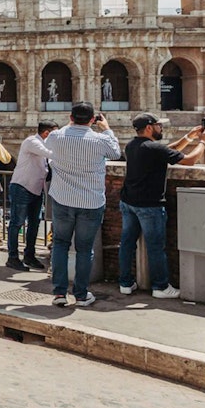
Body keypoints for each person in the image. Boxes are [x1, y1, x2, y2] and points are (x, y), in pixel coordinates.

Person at [118, 113, 205, 299]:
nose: (161, 128)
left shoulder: (132, 145)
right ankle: (160, 287)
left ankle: (125, 283)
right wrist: (203, 142)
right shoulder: (154, 149)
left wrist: (189, 137)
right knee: (155, 247)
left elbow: (166, 151)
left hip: (129, 202)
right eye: (159, 125)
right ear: (150, 127)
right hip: (149, 206)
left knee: (127, 244)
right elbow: (190, 160)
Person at [45, 102, 121, 307]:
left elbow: (50, 143)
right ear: (92, 120)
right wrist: (106, 128)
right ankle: (80, 294)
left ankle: (60, 293)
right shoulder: (99, 139)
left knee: (60, 245)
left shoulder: (56, 136)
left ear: (70, 117)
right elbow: (116, 153)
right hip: (90, 201)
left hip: (62, 199)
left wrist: (70, 125)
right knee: (85, 249)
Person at [6, 121, 58, 271]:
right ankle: (13, 257)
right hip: (22, 187)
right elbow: (50, 154)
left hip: (36, 189)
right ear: (47, 134)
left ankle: (29, 255)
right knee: (17, 222)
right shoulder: (32, 142)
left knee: (34, 224)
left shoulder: (43, 144)